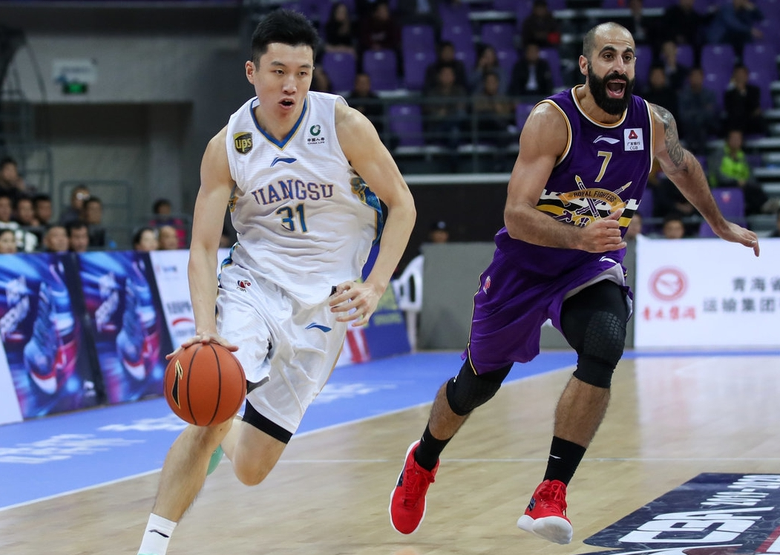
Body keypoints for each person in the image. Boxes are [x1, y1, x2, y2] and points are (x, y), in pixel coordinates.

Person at [388, 21, 759, 546]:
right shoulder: (552, 120)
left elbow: (682, 165)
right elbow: (516, 214)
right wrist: (578, 236)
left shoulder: (651, 122)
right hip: (524, 268)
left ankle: (551, 490)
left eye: (627, 56)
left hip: (588, 267)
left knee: (606, 342)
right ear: (585, 65)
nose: (619, 67)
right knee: (475, 386)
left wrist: (718, 224)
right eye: (608, 56)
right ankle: (423, 460)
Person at [135, 10, 415, 555]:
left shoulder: (343, 125)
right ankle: (152, 546)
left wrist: (376, 285)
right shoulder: (227, 145)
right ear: (252, 72)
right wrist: (205, 329)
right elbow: (202, 247)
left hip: (324, 308)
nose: (291, 85)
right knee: (212, 407)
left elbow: (402, 203)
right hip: (254, 287)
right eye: (278, 71)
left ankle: (230, 429)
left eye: (303, 73)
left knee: (251, 469)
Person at [708, 128, 774, 216]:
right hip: (722, 185)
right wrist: (736, 181)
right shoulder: (718, 155)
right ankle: (764, 206)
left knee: (753, 187)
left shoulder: (742, 156)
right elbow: (719, 175)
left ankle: (765, 206)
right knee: (748, 190)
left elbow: (750, 175)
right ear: (727, 140)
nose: (737, 141)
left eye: (739, 139)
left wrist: (746, 182)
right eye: (734, 138)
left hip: (742, 185)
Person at [677, 67, 720, 155]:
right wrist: (702, 111)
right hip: (689, 127)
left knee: (702, 126)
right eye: (694, 76)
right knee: (695, 126)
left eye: (698, 76)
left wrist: (695, 113)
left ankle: (697, 154)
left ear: (702, 78)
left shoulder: (709, 94)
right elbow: (683, 115)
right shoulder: (683, 95)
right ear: (689, 78)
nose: (696, 79)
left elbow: (711, 114)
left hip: (706, 127)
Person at [723, 63, 766, 137]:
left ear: (747, 76)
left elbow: (754, 107)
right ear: (734, 77)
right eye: (738, 75)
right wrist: (739, 92)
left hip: (750, 121)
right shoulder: (729, 94)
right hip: (736, 122)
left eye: (742, 75)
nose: (740, 77)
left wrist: (742, 92)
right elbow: (730, 110)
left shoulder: (754, 90)